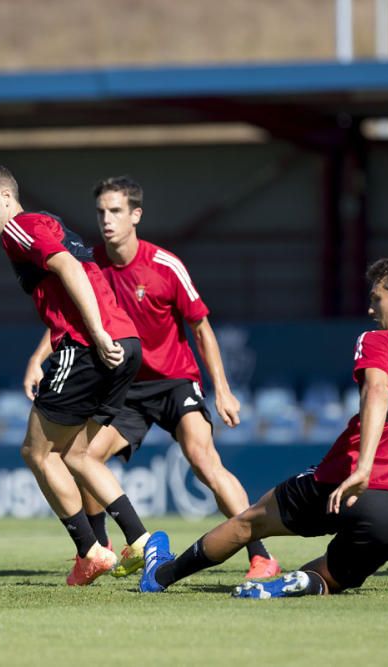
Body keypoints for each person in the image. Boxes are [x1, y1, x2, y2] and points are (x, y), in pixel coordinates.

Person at [138, 255, 388, 597]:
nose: (370, 308)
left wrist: (364, 469)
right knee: (331, 575)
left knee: (249, 522)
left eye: (377, 298)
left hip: (343, 482)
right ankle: (295, 584)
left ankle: (161, 576)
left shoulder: (379, 341)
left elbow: (377, 393)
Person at [23, 176, 279, 579]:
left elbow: (202, 328)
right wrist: (38, 357)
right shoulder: (90, 263)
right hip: (126, 386)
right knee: (84, 457)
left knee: (203, 460)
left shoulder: (164, 265)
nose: (107, 220)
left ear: (136, 215)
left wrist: (223, 391)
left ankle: (261, 555)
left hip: (176, 382)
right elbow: (71, 315)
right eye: (101, 212)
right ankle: (100, 548)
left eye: (116, 211)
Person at [0, 164, 154, 586]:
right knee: (79, 455)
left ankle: (90, 552)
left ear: (7, 199)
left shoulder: (18, 228)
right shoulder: (48, 222)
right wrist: (45, 354)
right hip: (128, 344)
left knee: (37, 452)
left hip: (89, 346)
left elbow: (68, 267)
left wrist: (97, 332)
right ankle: (141, 541)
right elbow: (69, 286)